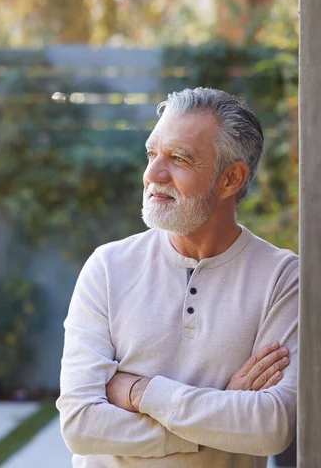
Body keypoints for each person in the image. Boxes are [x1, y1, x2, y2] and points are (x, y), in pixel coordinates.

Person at [56, 87, 298, 468]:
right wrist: (220, 420)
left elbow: (272, 426)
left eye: (179, 158)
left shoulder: (282, 278)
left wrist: (139, 391)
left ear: (231, 179)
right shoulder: (107, 267)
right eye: (152, 154)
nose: (153, 174)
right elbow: (80, 425)